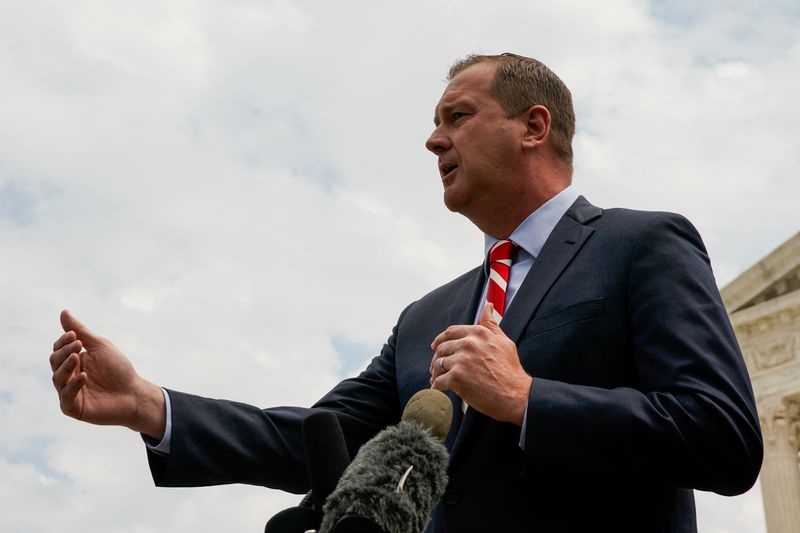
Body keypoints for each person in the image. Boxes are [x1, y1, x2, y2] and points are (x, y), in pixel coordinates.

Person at [49, 53, 763, 532]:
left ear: (533, 127)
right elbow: (318, 439)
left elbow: (722, 435)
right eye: (433, 123)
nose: (432, 140)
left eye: (456, 117)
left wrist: (526, 399)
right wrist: (146, 404)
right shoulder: (426, 316)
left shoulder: (643, 244)